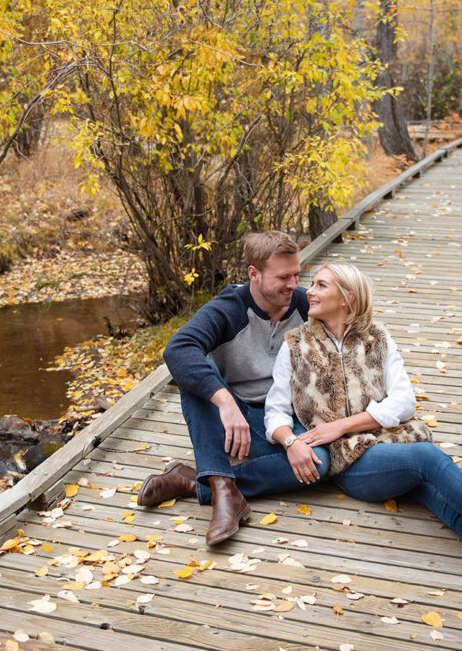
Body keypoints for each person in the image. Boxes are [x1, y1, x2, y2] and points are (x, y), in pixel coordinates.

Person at [263, 262, 462, 614]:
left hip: (394, 443)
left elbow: (404, 401)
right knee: (428, 458)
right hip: (351, 460)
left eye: (320, 285)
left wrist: (342, 424)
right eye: (311, 284)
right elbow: (275, 412)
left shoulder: (377, 337)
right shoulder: (295, 345)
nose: (308, 291)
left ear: (347, 297)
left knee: (448, 506)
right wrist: (291, 442)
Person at [137, 231, 330, 545]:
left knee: (318, 464)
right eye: (283, 277)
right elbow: (177, 349)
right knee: (196, 372)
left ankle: (205, 484)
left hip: (287, 418)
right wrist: (225, 402)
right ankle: (224, 493)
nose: (293, 284)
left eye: (296, 274)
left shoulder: (305, 305)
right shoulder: (229, 308)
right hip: (236, 424)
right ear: (253, 274)